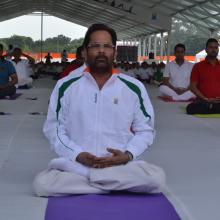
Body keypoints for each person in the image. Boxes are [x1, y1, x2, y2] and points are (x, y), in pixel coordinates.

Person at [33, 23, 165, 197]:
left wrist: (127, 155)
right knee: (43, 184)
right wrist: (78, 154)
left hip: (120, 163)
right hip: (78, 163)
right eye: (95, 46)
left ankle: (91, 180)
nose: (101, 51)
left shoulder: (133, 87)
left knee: (156, 178)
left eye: (107, 46)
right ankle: (110, 182)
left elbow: (146, 130)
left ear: (114, 52)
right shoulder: (66, 86)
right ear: (84, 52)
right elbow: (54, 129)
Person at [187, 38, 220, 114]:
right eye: (211, 47)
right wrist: (205, 98)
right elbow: (192, 87)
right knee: (190, 108)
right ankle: (211, 106)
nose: (213, 50)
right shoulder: (198, 66)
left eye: (215, 47)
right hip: (204, 101)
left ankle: (212, 107)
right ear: (206, 49)